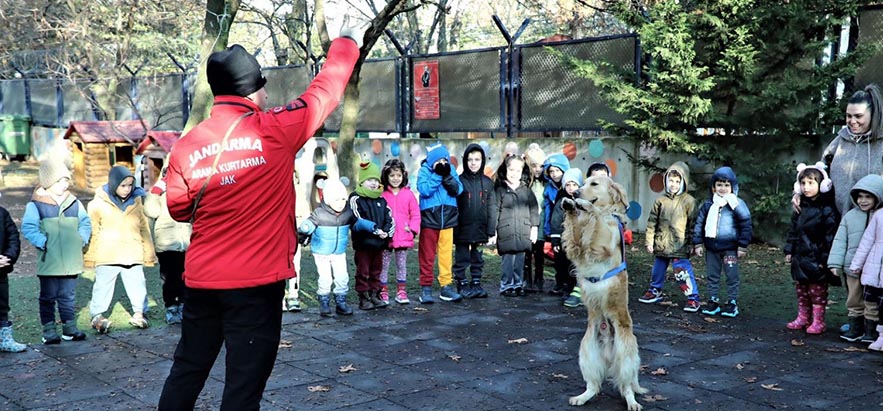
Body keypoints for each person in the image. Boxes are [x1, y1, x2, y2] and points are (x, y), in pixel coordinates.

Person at [157, 27, 361, 410]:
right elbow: (326, 91)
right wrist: (347, 42)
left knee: (188, 369)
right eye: (263, 87)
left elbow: (179, 208)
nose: (267, 95)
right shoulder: (275, 128)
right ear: (252, 90)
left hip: (202, 281)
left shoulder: (187, 145)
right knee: (243, 385)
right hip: (256, 285)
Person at [21, 157, 91, 344]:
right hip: (49, 260)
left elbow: (85, 222)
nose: (65, 185)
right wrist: (43, 242)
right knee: (48, 297)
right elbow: (29, 227)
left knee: (68, 296)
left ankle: (69, 328)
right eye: (61, 181)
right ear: (49, 182)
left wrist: (81, 238)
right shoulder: (36, 205)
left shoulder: (74, 202)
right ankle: (49, 330)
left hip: (71, 259)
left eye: (67, 180)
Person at [85, 165, 156, 332]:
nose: (127, 189)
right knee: (103, 286)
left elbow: (143, 228)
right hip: (108, 253)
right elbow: (93, 231)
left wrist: (149, 253)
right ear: (113, 183)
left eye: (130, 185)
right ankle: (97, 315)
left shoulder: (137, 201)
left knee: (138, 284)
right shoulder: (97, 204)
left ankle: (139, 313)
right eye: (123, 185)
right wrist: (89, 256)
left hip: (133, 252)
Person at [298, 178, 373, 316]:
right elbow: (310, 223)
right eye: (336, 200)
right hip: (322, 252)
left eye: (343, 199)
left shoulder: (347, 212)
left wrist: (369, 226)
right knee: (325, 278)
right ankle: (324, 302)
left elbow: (356, 223)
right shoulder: (319, 213)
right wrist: (305, 227)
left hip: (339, 251)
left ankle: (341, 302)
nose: (340, 203)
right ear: (327, 199)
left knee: (342, 277)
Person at [785, 163, 841, 334]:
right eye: (803, 183)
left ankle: (818, 320)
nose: (806, 187)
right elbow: (792, 231)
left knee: (817, 292)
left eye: (811, 183)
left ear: (822, 185)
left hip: (817, 259)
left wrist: (826, 260)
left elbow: (830, 238)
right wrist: (789, 250)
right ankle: (803, 317)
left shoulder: (828, 210)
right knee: (801, 290)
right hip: (800, 258)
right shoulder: (800, 207)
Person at [638, 161, 701, 311]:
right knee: (658, 269)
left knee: (682, 272)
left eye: (677, 181)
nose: (673, 184)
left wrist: (694, 244)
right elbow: (652, 222)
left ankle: (693, 297)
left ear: (683, 182)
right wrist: (649, 241)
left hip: (680, 245)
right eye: (671, 181)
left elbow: (694, 225)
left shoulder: (689, 201)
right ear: (666, 181)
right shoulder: (660, 201)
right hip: (662, 243)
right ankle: (655, 290)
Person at [692, 166, 753, 318]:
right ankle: (713, 300)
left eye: (727, 185)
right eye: (719, 184)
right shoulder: (708, 205)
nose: (723, 188)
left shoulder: (737, 204)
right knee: (712, 275)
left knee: (731, 276)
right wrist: (698, 243)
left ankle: (732, 302)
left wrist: (742, 246)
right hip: (712, 248)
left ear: (733, 187)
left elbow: (746, 224)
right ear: (714, 187)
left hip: (730, 248)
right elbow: (699, 224)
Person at [828, 174, 883, 341]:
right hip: (851, 266)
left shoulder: (880, 216)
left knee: (871, 301)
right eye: (860, 196)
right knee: (854, 299)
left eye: (868, 196)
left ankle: (871, 330)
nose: (863, 201)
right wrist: (835, 263)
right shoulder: (850, 216)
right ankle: (855, 327)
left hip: (874, 269)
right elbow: (840, 240)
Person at [143, 160, 192, 325]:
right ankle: (171, 306)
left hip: (187, 240)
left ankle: (185, 306)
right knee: (169, 278)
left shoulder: (186, 189)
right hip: (167, 242)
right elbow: (151, 211)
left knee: (187, 277)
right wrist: (155, 193)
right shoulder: (158, 192)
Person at [416, 142, 464, 304]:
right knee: (427, 255)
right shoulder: (424, 171)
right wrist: (437, 175)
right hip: (430, 219)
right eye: (439, 161)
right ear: (431, 161)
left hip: (448, 219)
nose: (443, 163)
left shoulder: (451, 171)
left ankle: (446, 286)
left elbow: (458, 190)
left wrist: (447, 176)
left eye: (445, 160)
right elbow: (424, 190)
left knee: (445, 255)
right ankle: (426, 288)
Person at [453, 143, 497, 299]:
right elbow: (454, 206)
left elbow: (492, 207)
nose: (473, 163)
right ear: (465, 161)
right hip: (462, 229)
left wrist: (491, 230)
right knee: (462, 257)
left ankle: (476, 282)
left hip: (480, 229)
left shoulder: (487, 183)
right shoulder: (458, 181)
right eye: (470, 159)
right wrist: (454, 229)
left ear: (482, 161)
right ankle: (462, 282)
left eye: (477, 159)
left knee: (477, 257)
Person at [349, 162, 394, 310]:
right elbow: (356, 219)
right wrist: (374, 230)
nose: (374, 184)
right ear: (362, 181)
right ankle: (363, 297)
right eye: (370, 180)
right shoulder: (356, 198)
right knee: (363, 271)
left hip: (380, 244)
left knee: (377, 270)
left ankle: (375, 293)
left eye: (376, 180)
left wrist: (387, 232)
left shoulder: (381, 200)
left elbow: (389, 218)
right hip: (364, 244)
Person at [494, 154, 539, 296]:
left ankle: (518, 284)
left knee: (520, 259)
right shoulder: (500, 190)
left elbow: (534, 209)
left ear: (522, 172)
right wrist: (493, 231)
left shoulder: (526, 191)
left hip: (523, 230)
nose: (514, 174)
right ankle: (506, 285)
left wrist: (534, 228)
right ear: (505, 170)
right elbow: (495, 210)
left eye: (517, 171)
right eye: (511, 170)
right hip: (506, 231)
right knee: (508, 260)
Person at [380, 159, 420, 304]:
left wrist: (412, 230)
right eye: (392, 175)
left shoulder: (408, 195)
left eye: (398, 175)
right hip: (386, 238)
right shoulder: (382, 195)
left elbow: (415, 214)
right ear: (386, 176)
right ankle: (383, 291)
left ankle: (401, 291)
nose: (395, 178)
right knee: (383, 265)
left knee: (401, 265)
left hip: (403, 236)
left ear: (403, 175)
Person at [848, 183, 883, 350]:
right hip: (873, 269)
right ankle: (877, 336)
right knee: (873, 302)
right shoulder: (879, 215)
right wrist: (856, 264)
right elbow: (866, 242)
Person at [550, 168, 583, 307]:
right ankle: (565, 286)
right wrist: (555, 239)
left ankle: (575, 287)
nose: (571, 188)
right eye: (568, 185)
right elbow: (555, 221)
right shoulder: (561, 202)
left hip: (579, 240)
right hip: (565, 239)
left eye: (574, 185)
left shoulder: (583, 201)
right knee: (563, 263)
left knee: (576, 265)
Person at [542, 153, 570, 295]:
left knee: (568, 258)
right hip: (555, 226)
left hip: (568, 228)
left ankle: (569, 284)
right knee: (557, 258)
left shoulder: (569, 186)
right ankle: (559, 283)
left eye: (557, 170)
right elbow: (548, 209)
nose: (554, 174)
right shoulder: (549, 188)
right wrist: (549, 229)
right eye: (551, 171)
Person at [0, 193, 24, 352]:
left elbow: (13, 237)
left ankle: (4, 340)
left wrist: (8, 256)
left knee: (2, 306)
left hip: (1, 271)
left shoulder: (2, 214)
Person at [523, 143, 547, 293]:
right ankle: (527, 279)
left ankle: (539, 279)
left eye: (540, 166)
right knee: (527, 253)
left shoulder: (546, 182)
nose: (537, 169)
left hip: (542, 222)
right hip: (527, 222)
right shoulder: (525, 182)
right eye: (534, 165)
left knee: (539, 253)